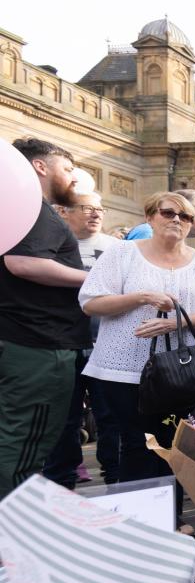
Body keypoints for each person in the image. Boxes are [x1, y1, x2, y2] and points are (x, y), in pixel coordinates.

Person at [79, 192, 195, 487]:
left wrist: (173, 324)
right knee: (137, 442)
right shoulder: (122, 253)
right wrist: (142, 296)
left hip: (184, 371)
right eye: (168, 213)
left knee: (172, 443)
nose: (176, 220)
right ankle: (139, 519)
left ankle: (172, 517)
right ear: (149, 217)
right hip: (122, 368)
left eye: (185, 216)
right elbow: (91, 302)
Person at [0, 139, 89, 500]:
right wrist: (94, 279)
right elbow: (22, 263)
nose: (73, 179)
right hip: (37, 346)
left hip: (21, 340)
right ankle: (12, 537)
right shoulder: (32, 209)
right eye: (67, 169)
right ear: (39, 166)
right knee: (24, 445)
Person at [43, 192, 122, 488]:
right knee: (64, 421)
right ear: (63, 212)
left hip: (108, 347)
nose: (96, 214)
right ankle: (61, 488)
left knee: (112, 419)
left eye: (100, 208)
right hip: (62, 345)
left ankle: (118, 482)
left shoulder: (118, 248)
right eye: (88, 208)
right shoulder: (50, 244)